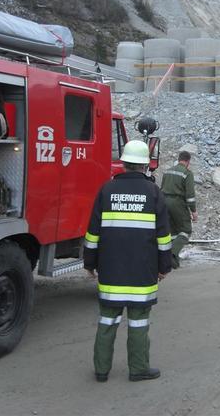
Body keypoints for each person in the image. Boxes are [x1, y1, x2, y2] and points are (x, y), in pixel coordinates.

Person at [83, 140, 172, 383]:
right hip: (142, 272)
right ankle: (138, 369)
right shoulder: (154, 193)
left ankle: (101, 371)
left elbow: (93, 233)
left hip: (111, 271)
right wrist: (165, 266)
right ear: (146, 165)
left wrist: (89, 262)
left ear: (123, 163)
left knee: (107, 320)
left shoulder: (106, 190)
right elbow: (163, 236)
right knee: (139, 321)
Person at [161, 151, 197, 269]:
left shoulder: (168, 171)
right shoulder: (187, 173)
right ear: (187, 162)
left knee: (172, 231)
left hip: (164, 202)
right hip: (178, 203)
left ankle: (173, 260)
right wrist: (193, 211)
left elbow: (161, 188)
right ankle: (171, 254)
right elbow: (190, 195)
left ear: (179, 159)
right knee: (186, 230)